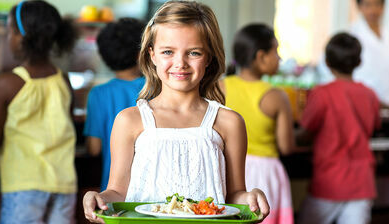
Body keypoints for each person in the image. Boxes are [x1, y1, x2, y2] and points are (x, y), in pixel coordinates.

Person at [83, 1, 270, 223]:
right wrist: (98, 197)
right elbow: (117, 192)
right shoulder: (129, 120)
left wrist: (250, 197)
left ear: (209, 57)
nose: (180, 63)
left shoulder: (229, 122)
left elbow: (235, 195)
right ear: (152, 55)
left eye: (193, 52)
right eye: (168, 52)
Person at [0, 1, 78, 223]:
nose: (7, 37)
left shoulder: (7, 83)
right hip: (64, 183)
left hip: (23, 183)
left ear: (21, 36)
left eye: (10, 30)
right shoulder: (63, 79)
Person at [296, 33, 381, 224]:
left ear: (326, 62)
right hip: (362, 183)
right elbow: (375, 126)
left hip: (329, 181)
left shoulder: (321, 94)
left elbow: (305, 134)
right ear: (359, 62)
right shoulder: (370, 95)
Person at [220, 24, 295, 224]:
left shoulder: (219, 87)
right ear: (261, 56)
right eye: (275, 51)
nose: (279, 58)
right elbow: (287, 147)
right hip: (266, 173)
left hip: (228, 169)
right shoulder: (276, 95)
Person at [83, 18, 146, 191]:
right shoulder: (156, 87)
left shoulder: (98, 94)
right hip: (151, 190)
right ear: (140, 53)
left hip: (114, 190)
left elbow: (94, 148)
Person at [351, 0, 389, 109]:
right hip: (364, 106)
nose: (373, 10)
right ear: (359, 7)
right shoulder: (351, 35)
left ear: (383, 7)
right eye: (367, 5)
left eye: (377, 5)